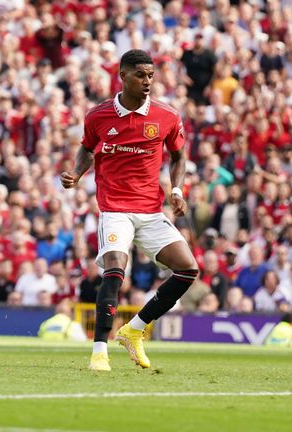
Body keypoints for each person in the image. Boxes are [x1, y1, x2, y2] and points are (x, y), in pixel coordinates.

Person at [61, 50, 199, 372]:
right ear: (123, 76)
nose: (147, 81)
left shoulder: (166, 116)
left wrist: (176, 191)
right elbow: (86, 147)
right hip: (115, 209)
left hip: (150, 211)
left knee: (188, 268)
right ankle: (99, 352)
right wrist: (76, 173)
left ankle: (134, 329)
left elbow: (179, 156)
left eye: (151, 75)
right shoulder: (98, 116)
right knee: (115, 272)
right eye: (140, 75)